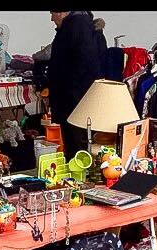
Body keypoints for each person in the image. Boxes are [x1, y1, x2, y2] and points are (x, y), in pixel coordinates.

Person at [48, 11, 104, 161]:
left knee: (77, 145)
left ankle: (78, 172)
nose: (52, 18)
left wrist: (67, 94)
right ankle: (76, 170)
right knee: (74, 144)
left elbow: (84, 65)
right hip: (73, 98)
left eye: (53, 13)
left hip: (74, 100)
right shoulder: (75, 25)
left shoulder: (77, 24)